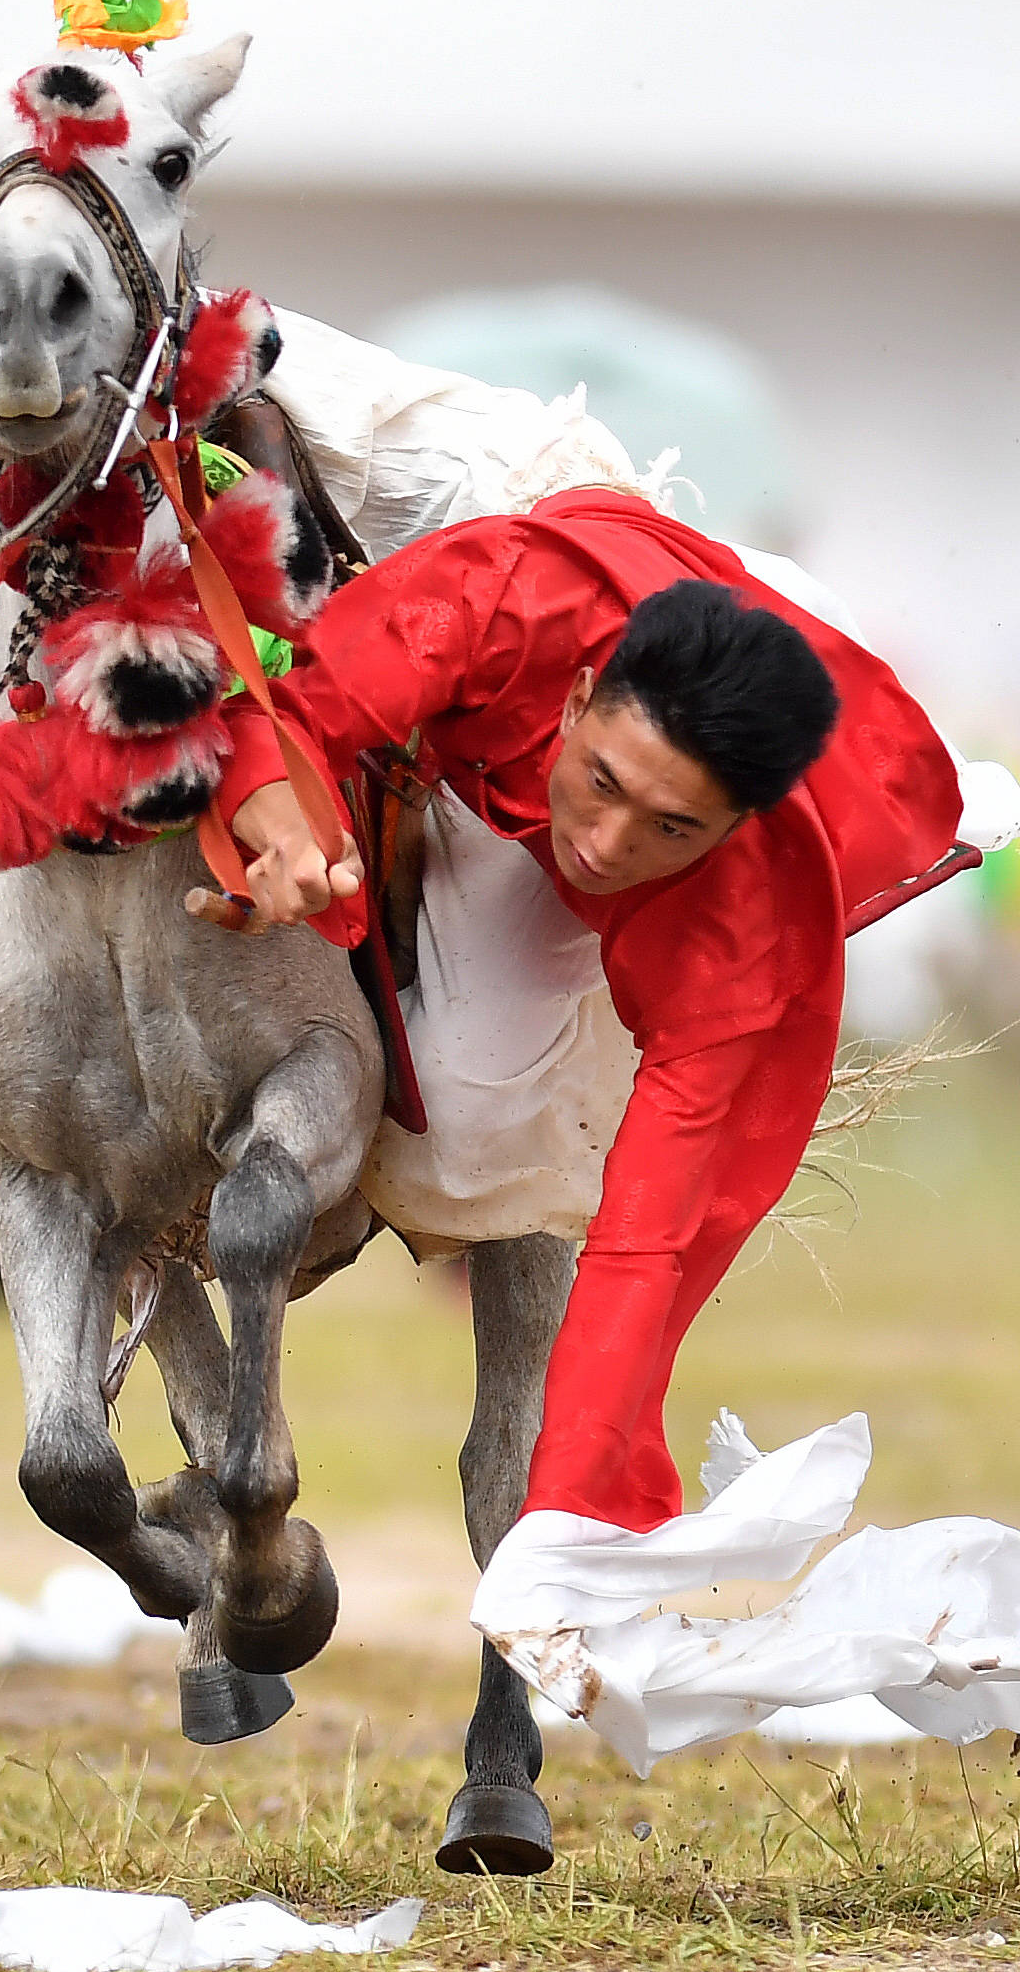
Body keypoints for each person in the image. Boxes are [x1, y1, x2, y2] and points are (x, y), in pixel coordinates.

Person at [207, 482, 998, 1536]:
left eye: (672, 828)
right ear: (576, 703)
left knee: (475, 1103)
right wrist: (284, 833)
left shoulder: (737, 922)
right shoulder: (486, 598)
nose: (611, 846)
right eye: (605, 783)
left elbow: (648, 1243)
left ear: (735, 830)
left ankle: (969, 798)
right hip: (534, 521)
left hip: (743, 635)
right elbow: (283, 712)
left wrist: (570, 1523)